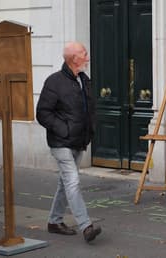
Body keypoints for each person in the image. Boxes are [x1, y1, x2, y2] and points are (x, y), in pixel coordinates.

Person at [36, 41, 102, 243]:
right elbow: (42, 113)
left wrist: (89, 131)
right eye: (84, 54)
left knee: (65, 184)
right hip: (61, 142)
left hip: (78, 140)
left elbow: (88, 110)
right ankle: (86, 226)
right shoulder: (54, 82)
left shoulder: (83, 79)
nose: (88, 58)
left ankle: (54, 221)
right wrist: (63, 129)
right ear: (75, 58)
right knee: (73, 181)